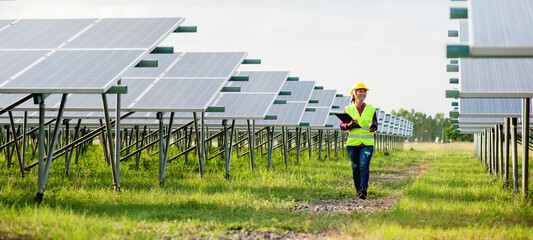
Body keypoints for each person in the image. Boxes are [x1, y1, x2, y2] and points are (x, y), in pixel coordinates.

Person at [340, 82, 378, 199]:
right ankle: (358, 189)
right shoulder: (348, 109)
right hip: (352, 144)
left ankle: (363, 190)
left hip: (367, 143)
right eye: (360, 91)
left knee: (363, 166)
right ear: (354, 94)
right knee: (355, 167)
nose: (362, 94)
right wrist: (350, 124)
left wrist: (374, 127)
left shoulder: (371, 109)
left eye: (364, 92)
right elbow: (342, 126)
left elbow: (375, 123)